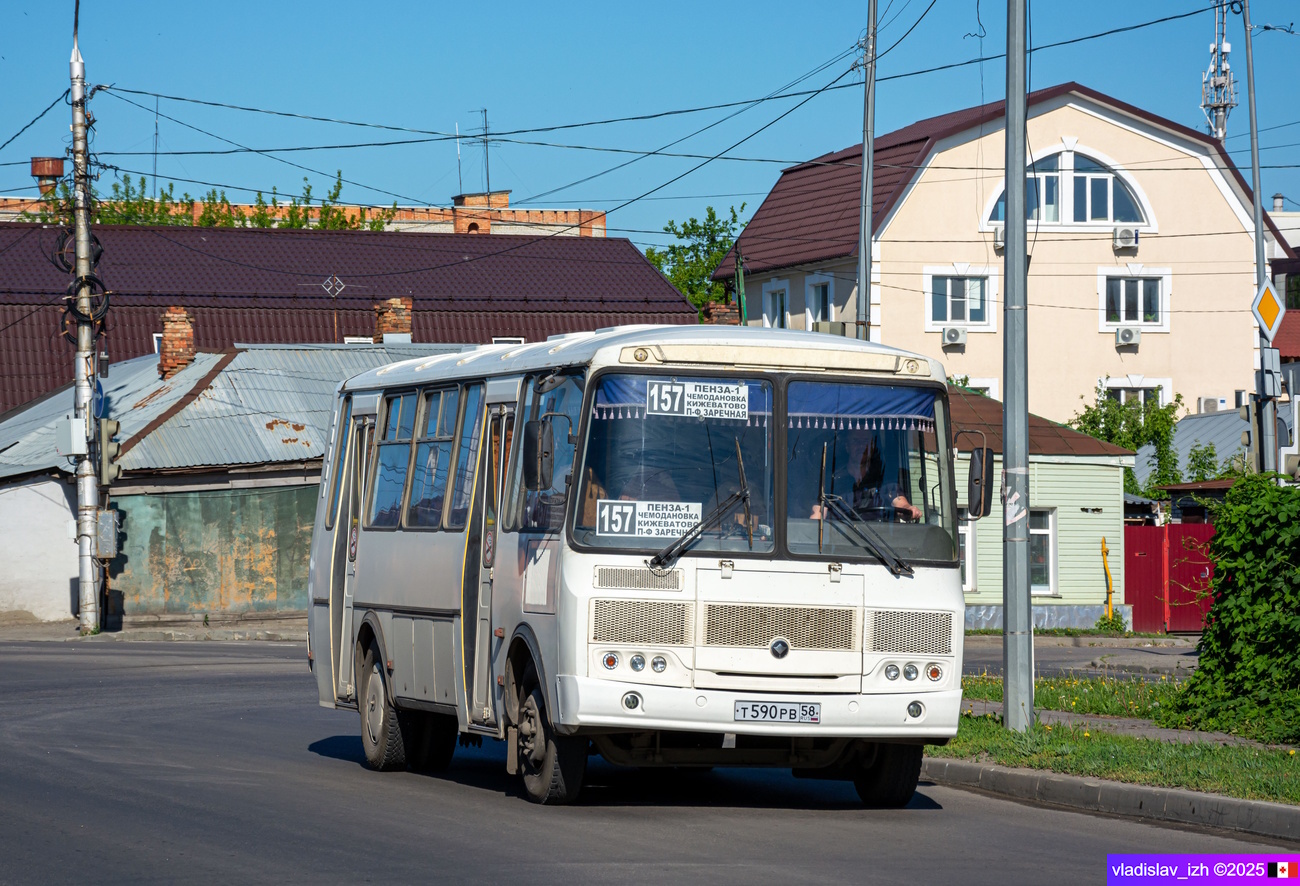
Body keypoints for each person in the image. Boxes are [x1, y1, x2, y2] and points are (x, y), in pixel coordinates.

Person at [807, 430, 921, 522]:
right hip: (839, 544)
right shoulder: (832, 482)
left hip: (880, 545)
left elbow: (901, 504)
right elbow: (819, 513)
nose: (862, 446)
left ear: (872, 446)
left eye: (865, 442)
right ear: (847, 446)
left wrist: (909, 510)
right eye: (856, 441)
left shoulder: (883, 480)